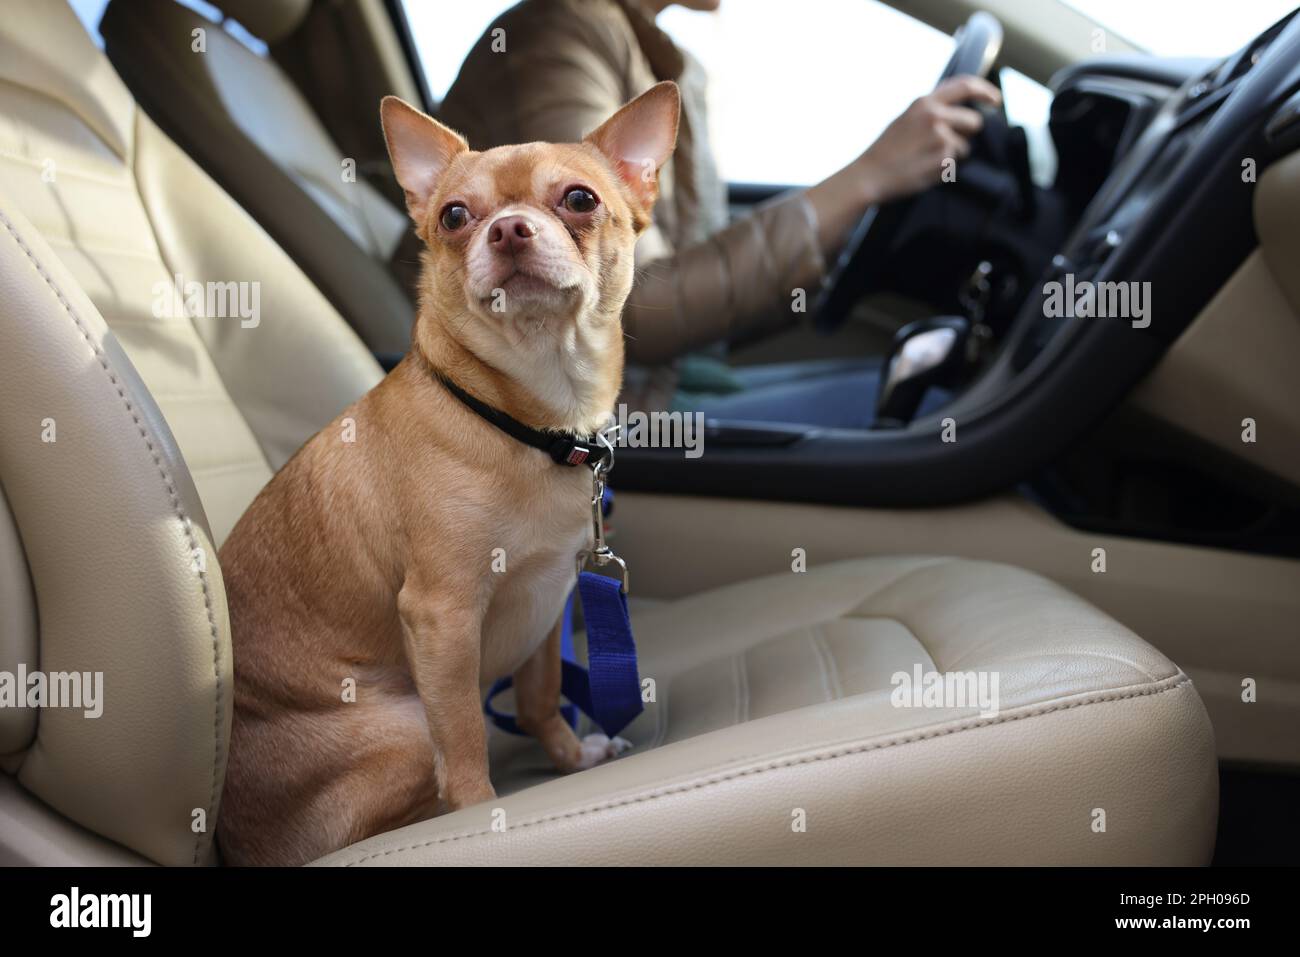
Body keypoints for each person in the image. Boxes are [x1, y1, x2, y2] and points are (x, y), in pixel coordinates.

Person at [439, 0, 1000, 428]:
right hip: (607, 421)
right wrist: (868, 176)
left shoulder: (656, 60)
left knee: (939, 386)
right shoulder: (560, 33)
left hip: (670, 382)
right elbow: (629, 310)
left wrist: (856, 206)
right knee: (950, 409)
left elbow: (682, 267)